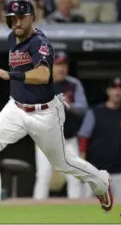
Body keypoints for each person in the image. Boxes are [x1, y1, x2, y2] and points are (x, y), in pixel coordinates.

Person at [0, 0, 113, 219]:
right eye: (12, 18)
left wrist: (10, 74)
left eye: (21, 17)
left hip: (43, 112)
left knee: (62, 163)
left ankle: (101, 182)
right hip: (15, 108)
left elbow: (43, 76)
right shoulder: (11, 38)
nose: (16, 22)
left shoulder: (40, 43)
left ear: (32, 18)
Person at [33, 51, 88, 199]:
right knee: (43, 176)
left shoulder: (73, 84)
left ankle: (76, 216)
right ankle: (36, 215)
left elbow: (83, 108)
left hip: (68, 138)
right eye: (57, 65)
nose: (61, 68)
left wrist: (69, 105)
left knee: (75, 177)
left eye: (64, 64)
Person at [78, 77, 121, 199]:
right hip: (95, 171)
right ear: (108, 91)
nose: (117, 92)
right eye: (114, 88)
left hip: (119, 172)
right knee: (88, 211)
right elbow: (83, 142)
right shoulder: (94, 113)